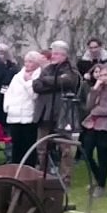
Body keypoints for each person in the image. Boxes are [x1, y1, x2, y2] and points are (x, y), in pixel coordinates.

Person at [32, 41, 83, 185]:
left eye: (56, 53)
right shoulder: (47, 69)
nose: (53, 56)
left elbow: (66, 82)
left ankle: (65, 178)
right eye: (52, 53)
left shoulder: (71, 70)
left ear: (64, 55)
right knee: (42, 148)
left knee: (65, 148)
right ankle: (43, 175)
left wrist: (47, 81)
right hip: (45, 113)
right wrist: (51, 82)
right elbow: (36, 85)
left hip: (62, 115)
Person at [79, 63, 107, 198]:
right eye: (101, 75)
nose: (103, 78)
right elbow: (88, 105)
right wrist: (95, 88)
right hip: (92, 124)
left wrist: (94, 110)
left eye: (106, 75)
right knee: (86, 153)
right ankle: (98, 178)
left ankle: (101, 185)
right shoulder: (99, 88)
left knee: (102, 156)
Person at [4, 50, 44, 167]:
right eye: (26, 61)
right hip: (14, 114)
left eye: (30, 62)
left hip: (29, 115)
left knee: (28, 145)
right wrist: (8, 107)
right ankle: (16, 168)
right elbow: (9, 93)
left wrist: (28, 82)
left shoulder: (39, 76)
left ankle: (28, 169)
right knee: (16, 145)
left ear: (37, 63)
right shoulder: (17, 76)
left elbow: (35, 95)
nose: (27, 64)